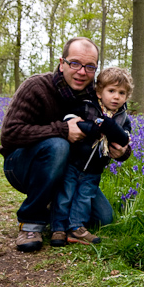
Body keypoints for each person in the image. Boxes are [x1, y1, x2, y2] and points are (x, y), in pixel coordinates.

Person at [0, 37, 131, 252]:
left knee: (103, 218)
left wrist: (123, 152)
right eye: (75, 63)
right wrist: (62, 130)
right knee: (58, 145)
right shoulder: (36, 87)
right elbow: (10, 135)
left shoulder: (95, 95)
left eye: (90, 67)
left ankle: (55, 206)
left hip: (72, 170)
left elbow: (114, 130)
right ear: (62, 63)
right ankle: (31, 222)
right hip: (22, 166)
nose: (81, 72)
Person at [51, 67, 133, 246]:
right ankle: (58, 228)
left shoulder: (122, 117)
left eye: (122, 93)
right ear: (99, 91)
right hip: (73, 162)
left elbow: (125, 138)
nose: (116, 97)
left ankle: (76, 228)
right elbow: (70, 120)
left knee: (84, 198)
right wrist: (93, 128)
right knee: (65, 194)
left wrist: (111, 128)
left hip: (95, 169)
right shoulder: (88, 105)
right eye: (111, 91)